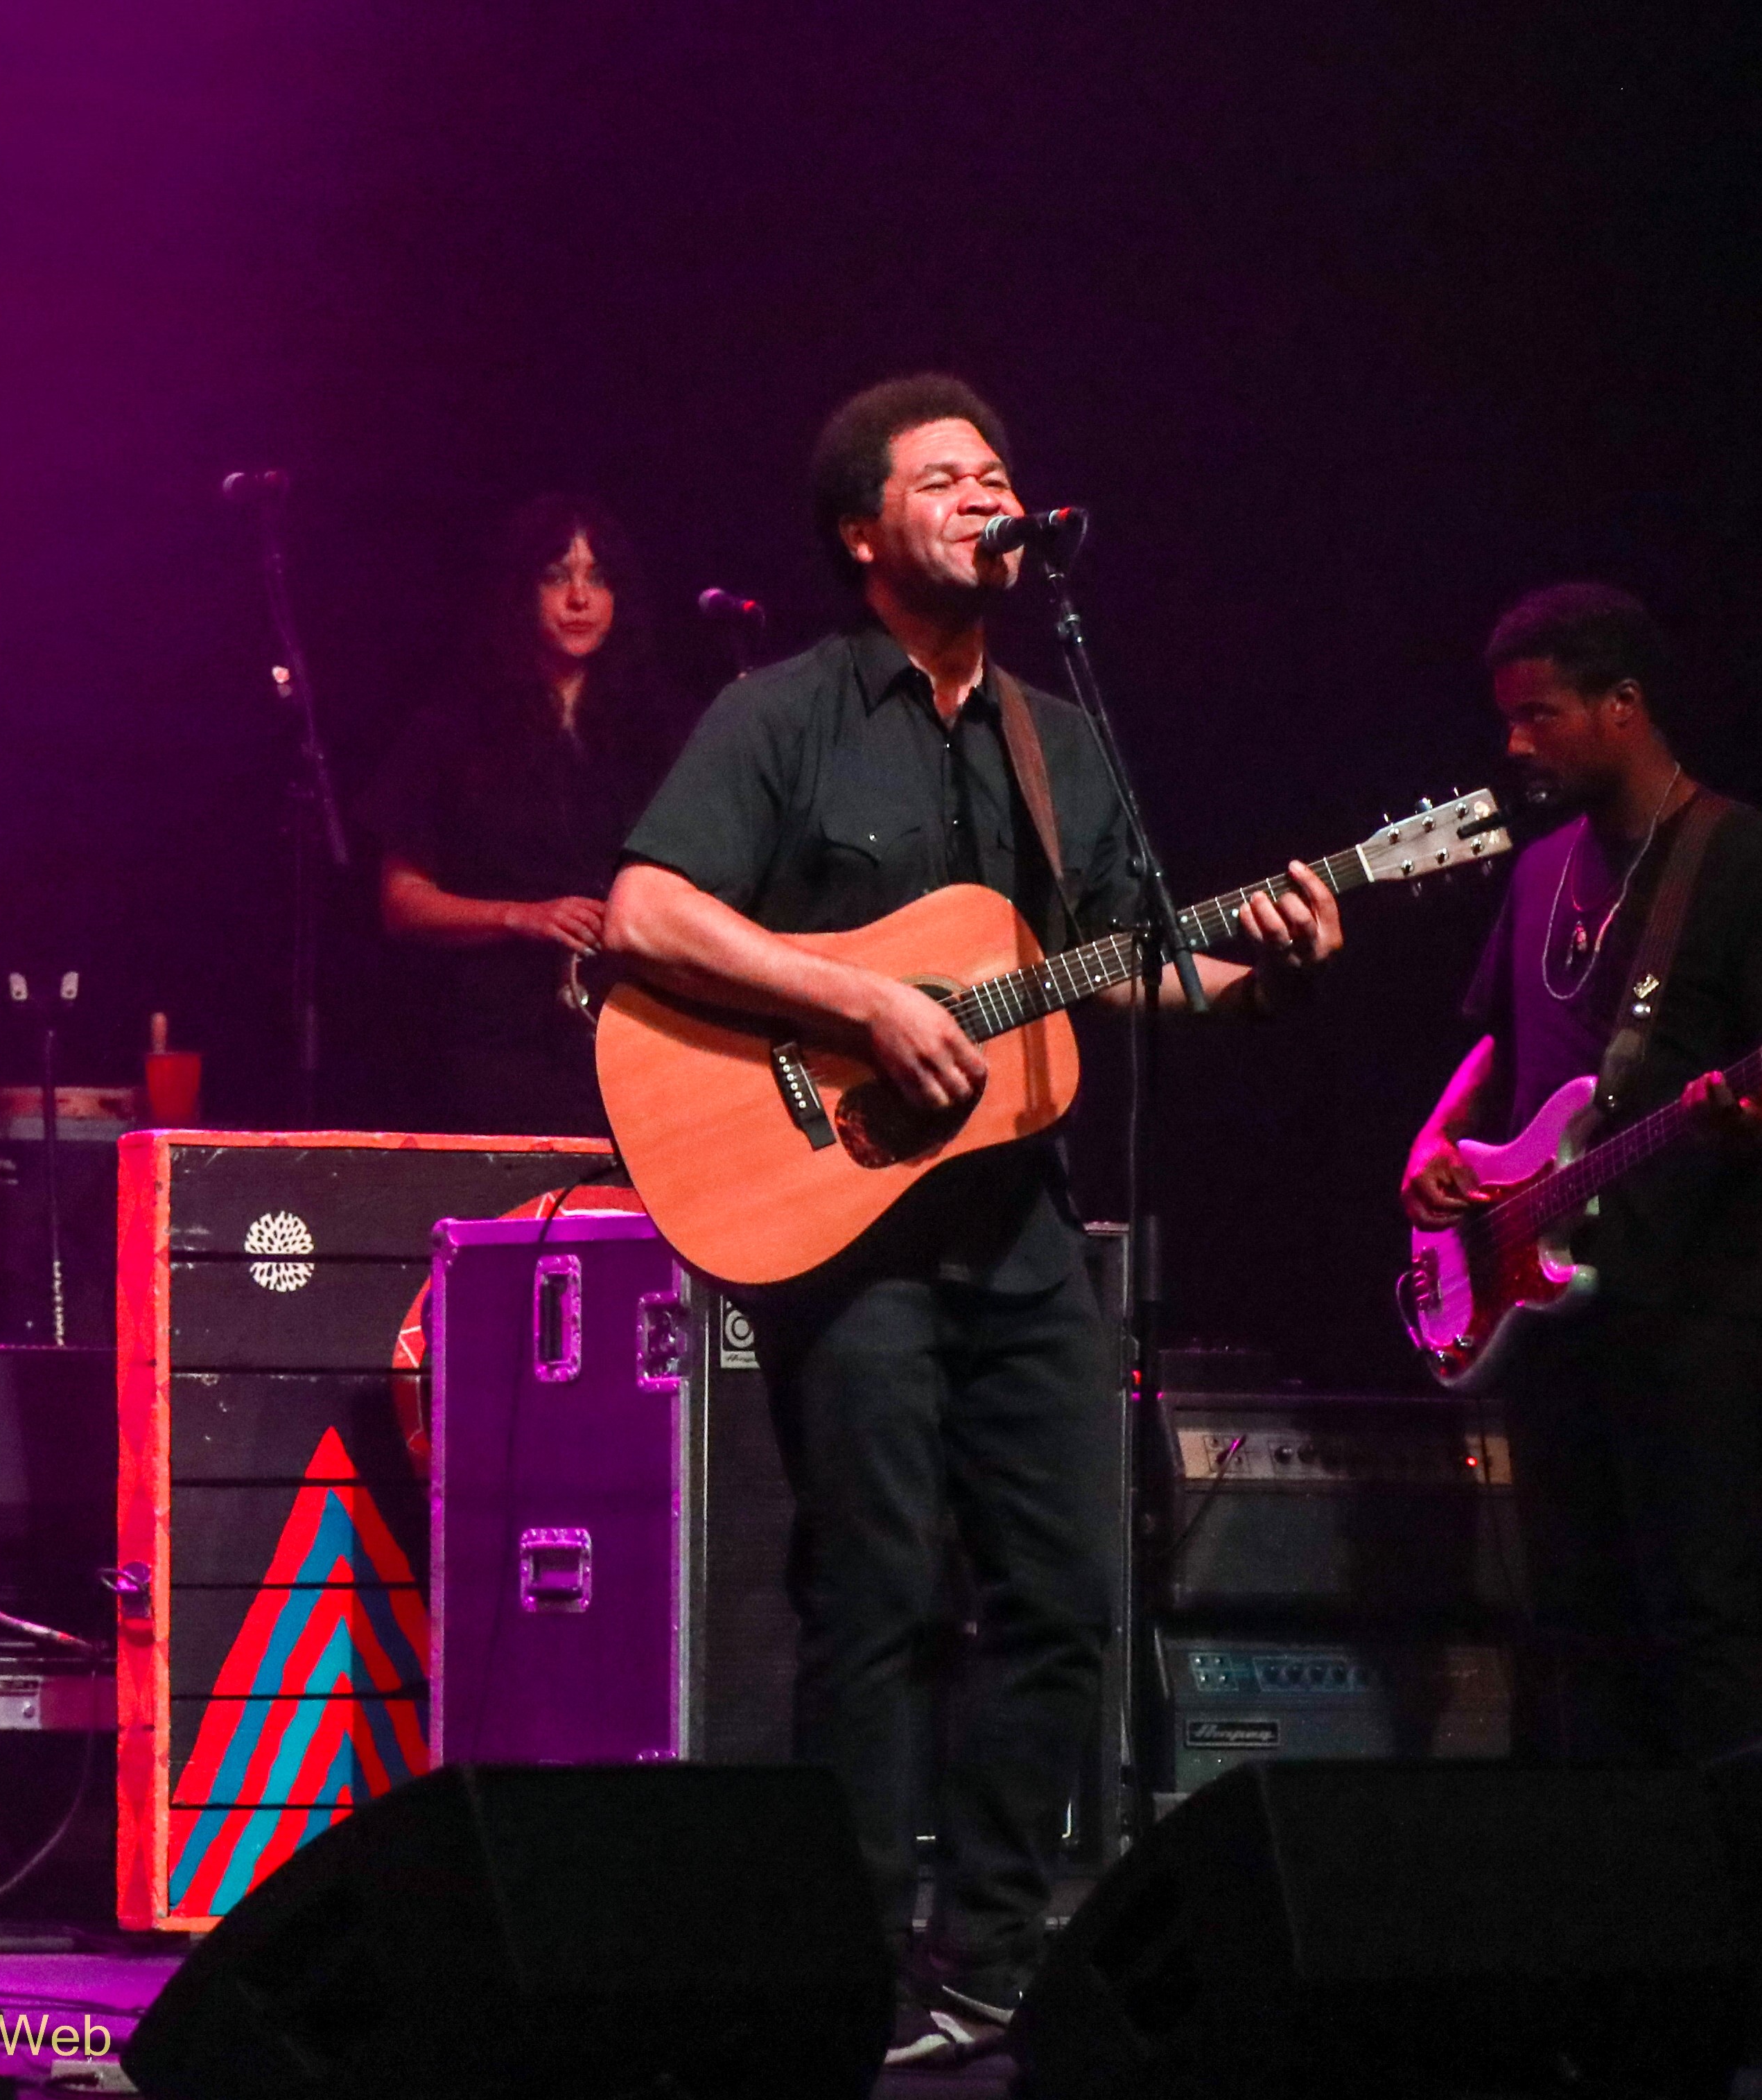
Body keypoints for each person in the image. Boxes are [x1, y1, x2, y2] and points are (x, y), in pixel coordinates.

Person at [602, 374, 1343, 2067]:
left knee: (1071, 1590)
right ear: (862, 532)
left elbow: (1127, 959)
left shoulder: (1059, 736)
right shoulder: (785, 713)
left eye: (998, 472)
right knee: (873, 1592)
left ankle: (989, 1951)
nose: (984, 494)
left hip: (1020, 1230)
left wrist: (1269, 947)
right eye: (942, 477)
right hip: (842, 1227)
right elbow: (646, 905)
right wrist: (856, 1004)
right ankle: (839, 1962)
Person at [1401, 584, 1762, 1765]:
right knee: (1571, 1623)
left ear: (1625, 706)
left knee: (1703, 1617)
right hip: (1547, 1302)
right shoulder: (1540, 868)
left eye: (1540, 716)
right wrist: (1433, 1145)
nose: (1515, 745)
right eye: (1508, 718)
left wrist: (1744, 1124)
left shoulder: (1743, 857)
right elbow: (1501, 1046)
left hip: (1698, 1302)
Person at [367, 494, 690, 1135]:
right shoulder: (454, 727)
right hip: (499, 1041)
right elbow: (401, 901)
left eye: (598, 578)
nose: (579, 599)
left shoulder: (666, 725)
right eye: (556, 576)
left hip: (640, 1037)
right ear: (521, 590)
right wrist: (522, 917)